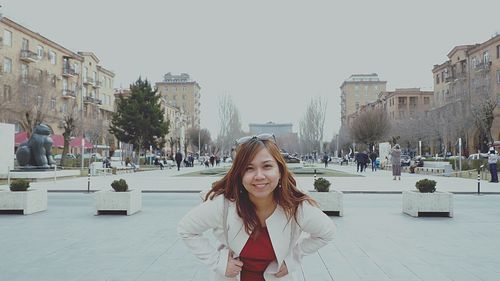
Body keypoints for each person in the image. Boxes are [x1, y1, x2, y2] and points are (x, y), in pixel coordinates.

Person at [177, 134, 335, 281]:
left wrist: (292, 259)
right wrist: (218, 262)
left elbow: (326, 232)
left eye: (267, 166)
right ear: (239, 174)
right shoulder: (224, 204)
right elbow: (187, 229)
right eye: (249, 168)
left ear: (280, 170)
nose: (259, 176)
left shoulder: (296, 207)